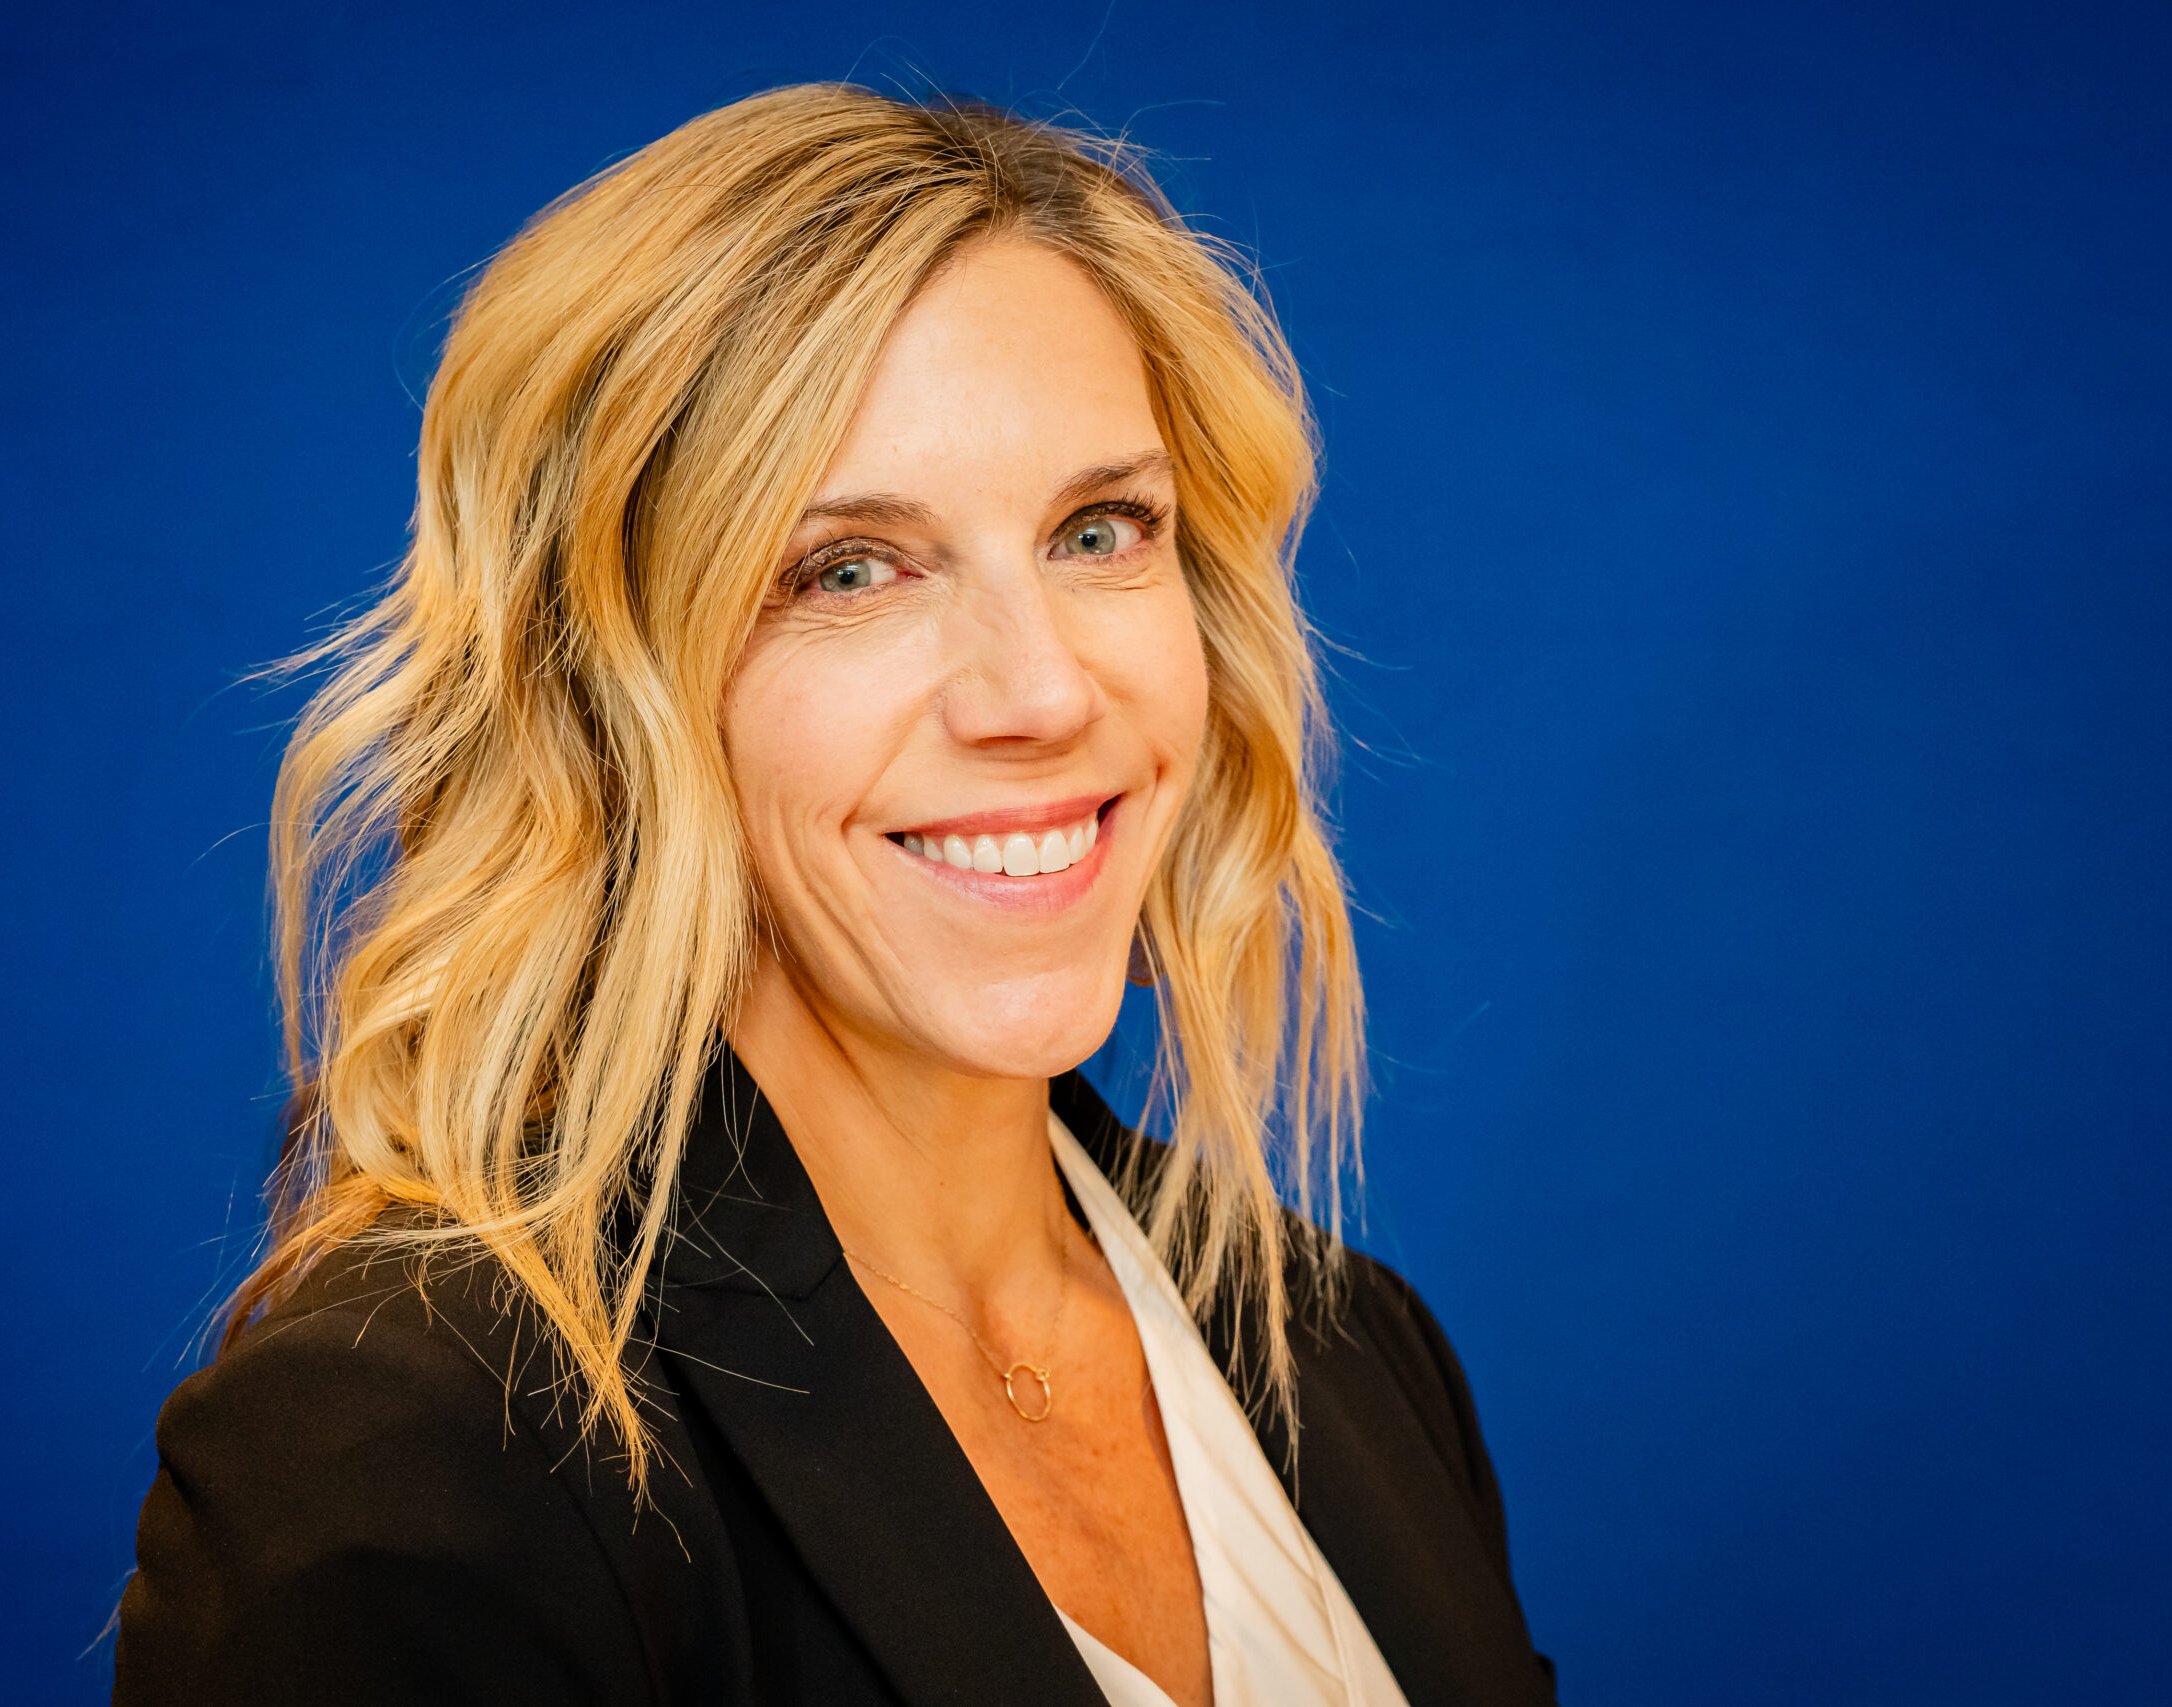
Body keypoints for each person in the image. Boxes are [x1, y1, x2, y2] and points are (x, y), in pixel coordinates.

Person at [114, 83, 1556, 1707]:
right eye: (848, 570)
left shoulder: (1351, 1352)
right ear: (609, 698)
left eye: (1100, 530)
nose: (1039, 692)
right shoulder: (412, 1456)